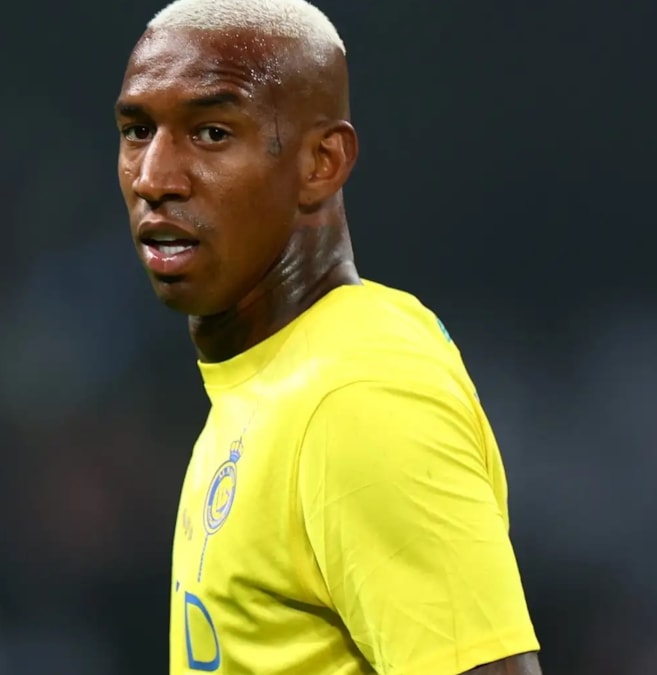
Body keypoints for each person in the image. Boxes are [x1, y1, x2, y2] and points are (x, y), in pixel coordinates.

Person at [114, 0, 541, 673]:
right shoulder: (276, 377)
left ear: (321, 162)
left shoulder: (357, 393)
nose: (153, 178)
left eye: (212, 133)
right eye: (138, 130)